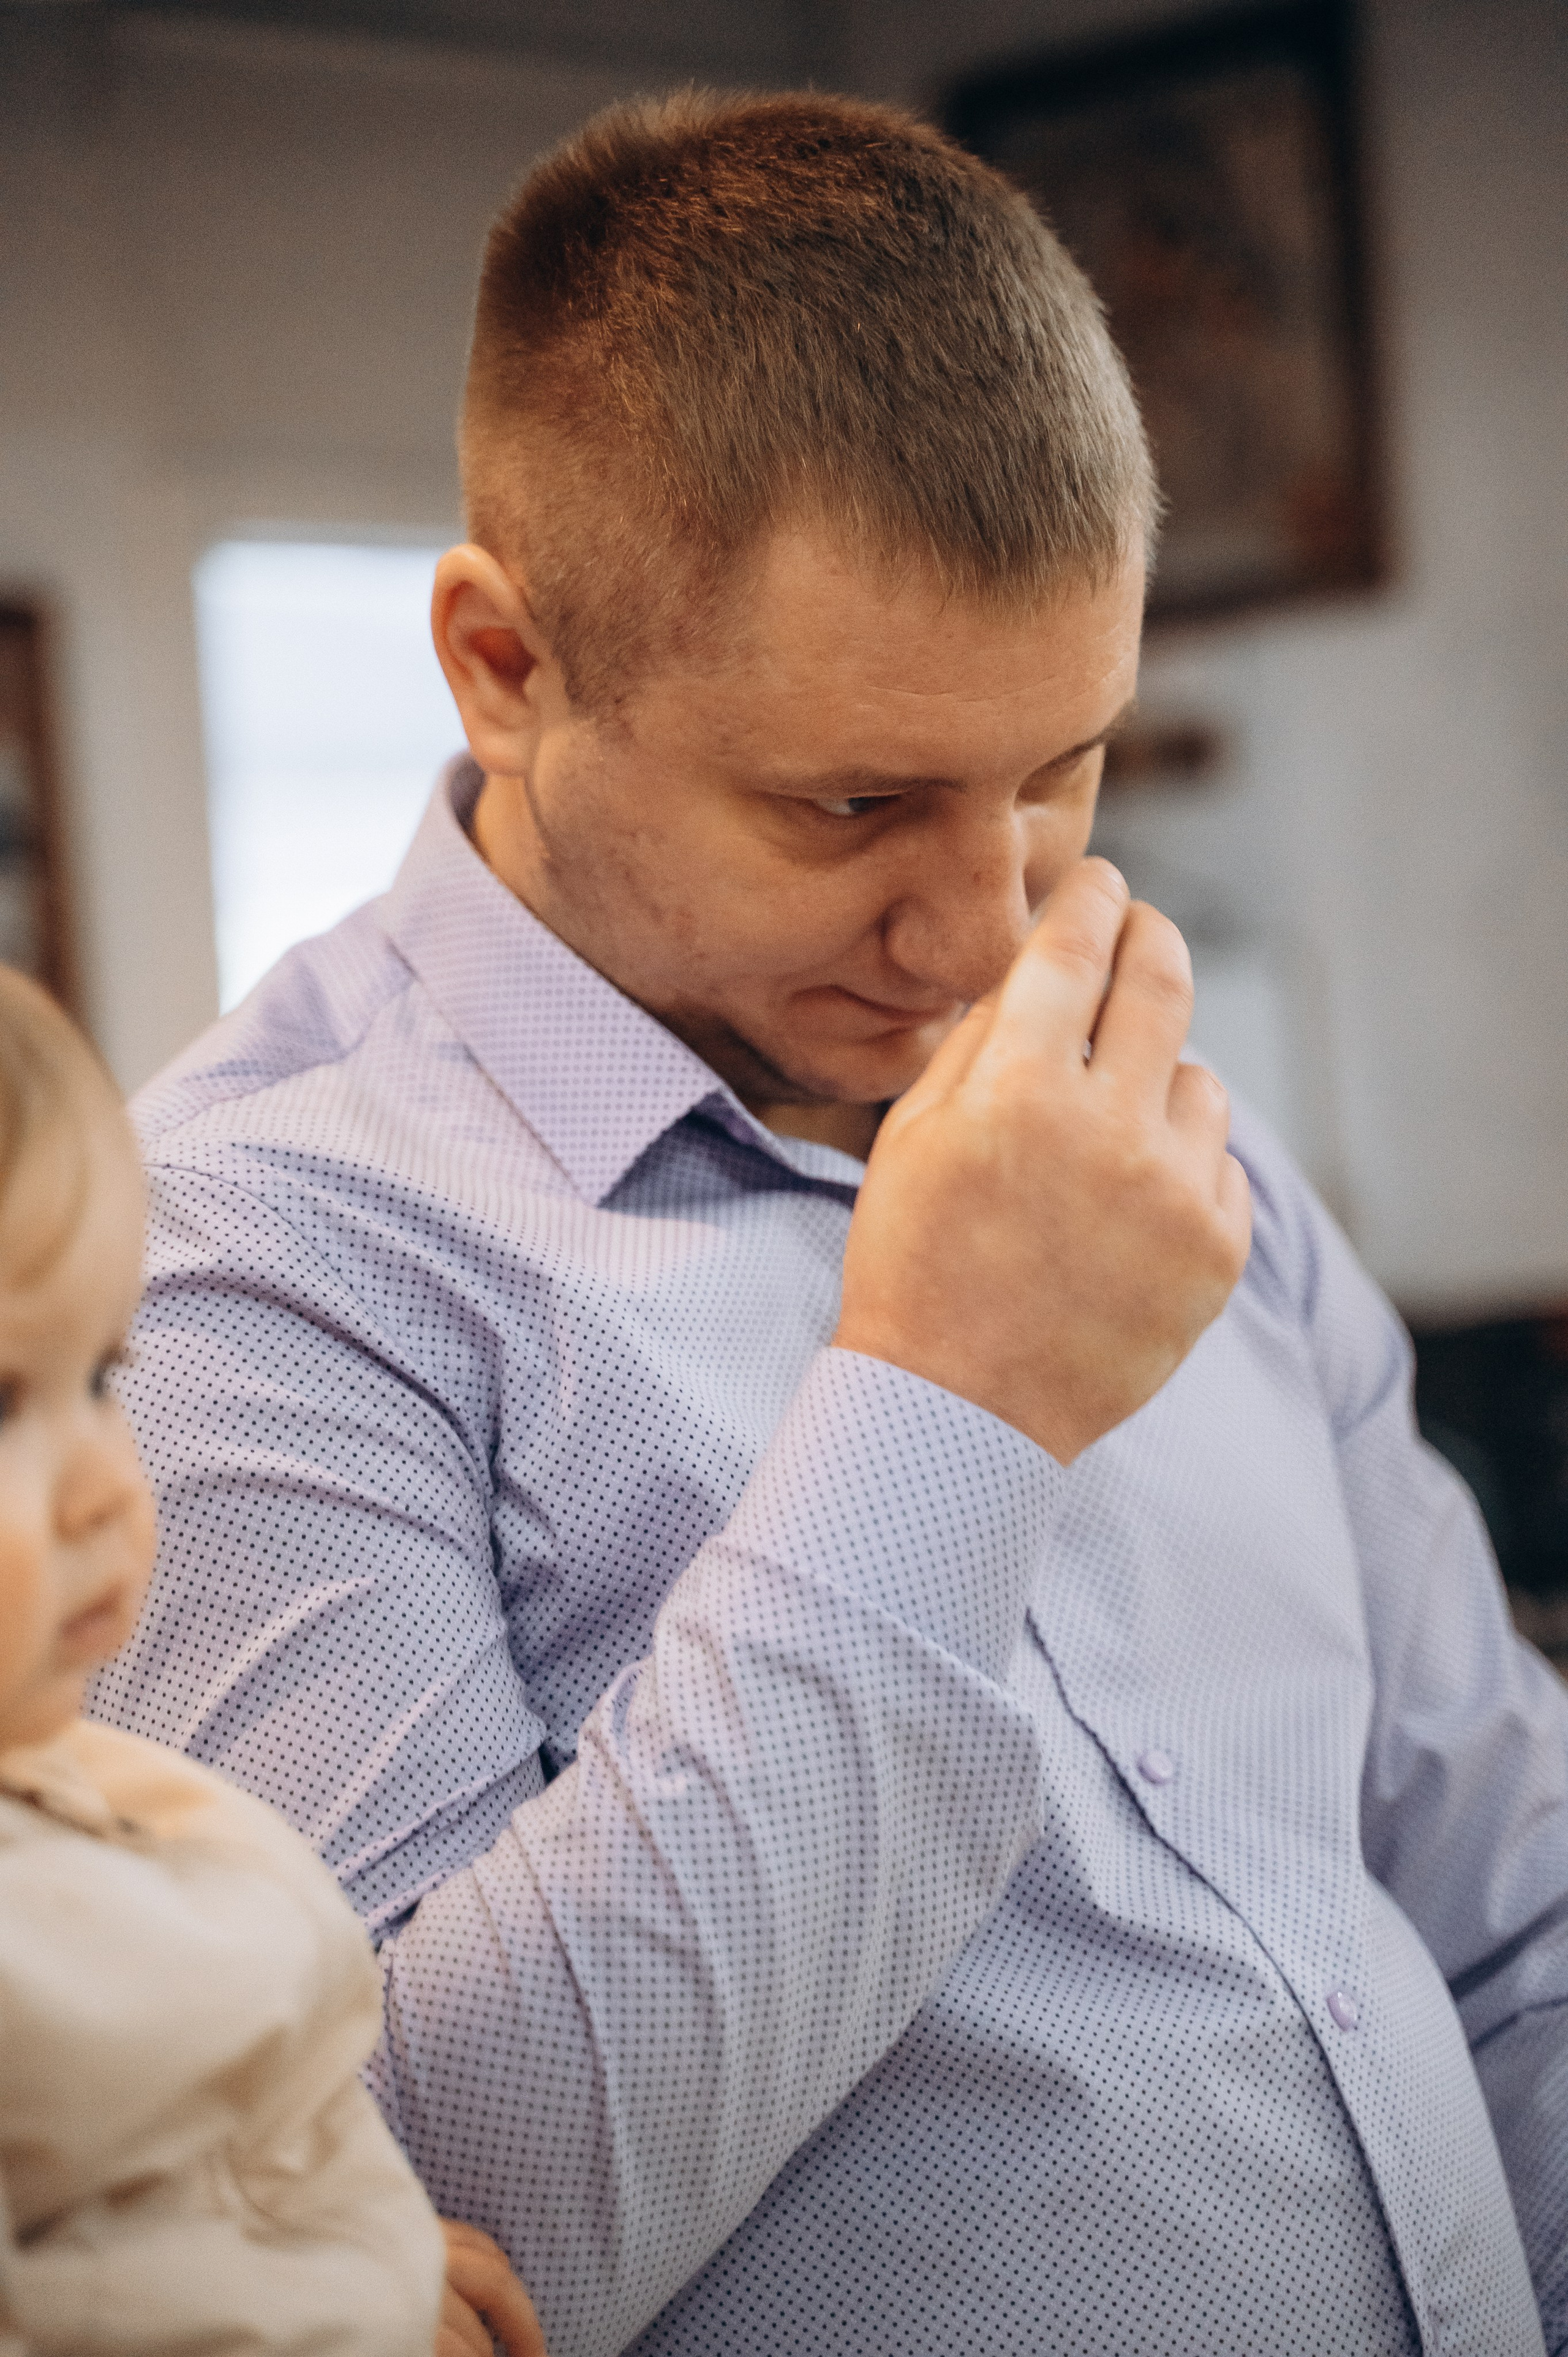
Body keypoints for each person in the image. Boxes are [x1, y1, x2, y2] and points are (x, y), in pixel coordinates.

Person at [92, 89, 1567, 2357]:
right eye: (853, 800)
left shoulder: (1163, 1132)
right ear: (507, 669)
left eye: (1060, 766)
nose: (990, 934)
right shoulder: (243, 1263)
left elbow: (1504, 1895)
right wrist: (949, 1407)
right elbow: (416, 2239)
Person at [0, 969, 546, 2357]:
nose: (105, 1489)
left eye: (102, 1376)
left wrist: (363, 2250)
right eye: (7, 1402)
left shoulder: (87, 1780)